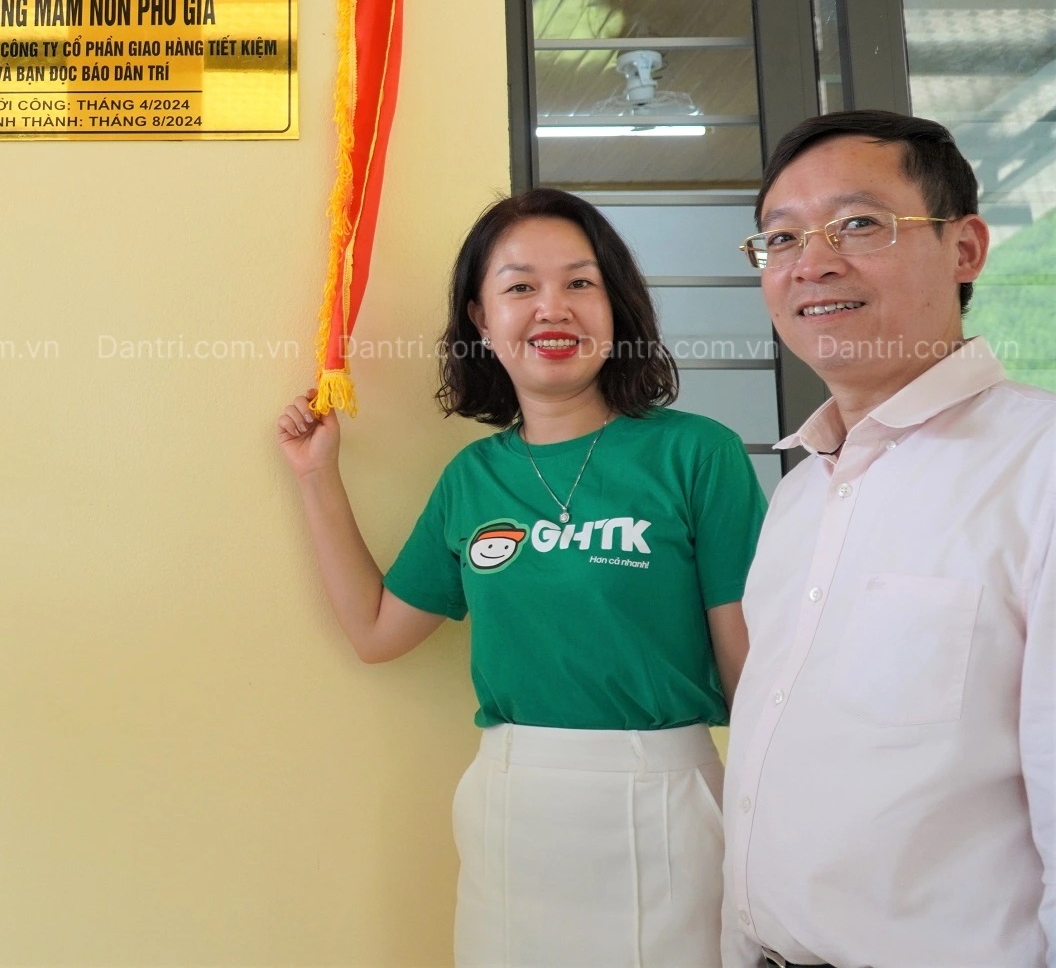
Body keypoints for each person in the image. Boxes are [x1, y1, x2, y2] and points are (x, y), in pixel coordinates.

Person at [278, 187, 764, 968]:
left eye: (580, 283)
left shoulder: (697, 454)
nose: (553, 309)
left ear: (617, 305)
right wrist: (316, 476)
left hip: (666, 799)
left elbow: (749, 670)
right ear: (481, 318)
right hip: (512, 806)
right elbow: (375, 632)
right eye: (519, 288)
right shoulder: (473, 478)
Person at [722, 110, 1053, 968]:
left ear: (966, 248)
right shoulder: (798, 498)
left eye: (859, 223)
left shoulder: (1039, 470)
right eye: (781, 238)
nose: (812, 263)